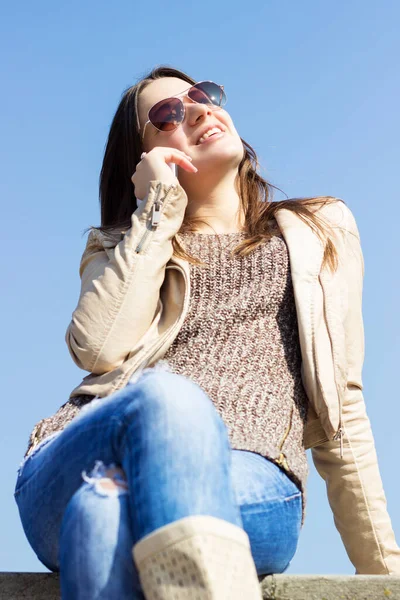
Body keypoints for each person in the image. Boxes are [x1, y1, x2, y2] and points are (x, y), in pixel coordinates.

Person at [14, 65, 400, 600]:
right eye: (166, 115)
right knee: (166, 398)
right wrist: (154, 214)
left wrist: (384, 578)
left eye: (201, 95)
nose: (196, 109)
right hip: (85, 455)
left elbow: (344, 409)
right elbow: (99, 350)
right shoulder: (118, 247)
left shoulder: (318, 229)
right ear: (142, 160)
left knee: (101, 513)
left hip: (251, 478)